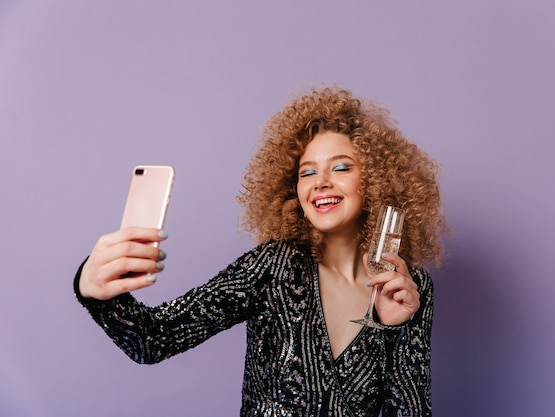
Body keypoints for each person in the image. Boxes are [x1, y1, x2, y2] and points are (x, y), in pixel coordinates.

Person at [74, 86, 446, 417]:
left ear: (376, 180)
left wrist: (394, 330)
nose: (321, 183)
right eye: (306, 172)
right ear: (293, 189)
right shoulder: (273, 265)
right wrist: (91, 287)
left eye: (341, 167)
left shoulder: (410, 286)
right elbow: (153, 340)